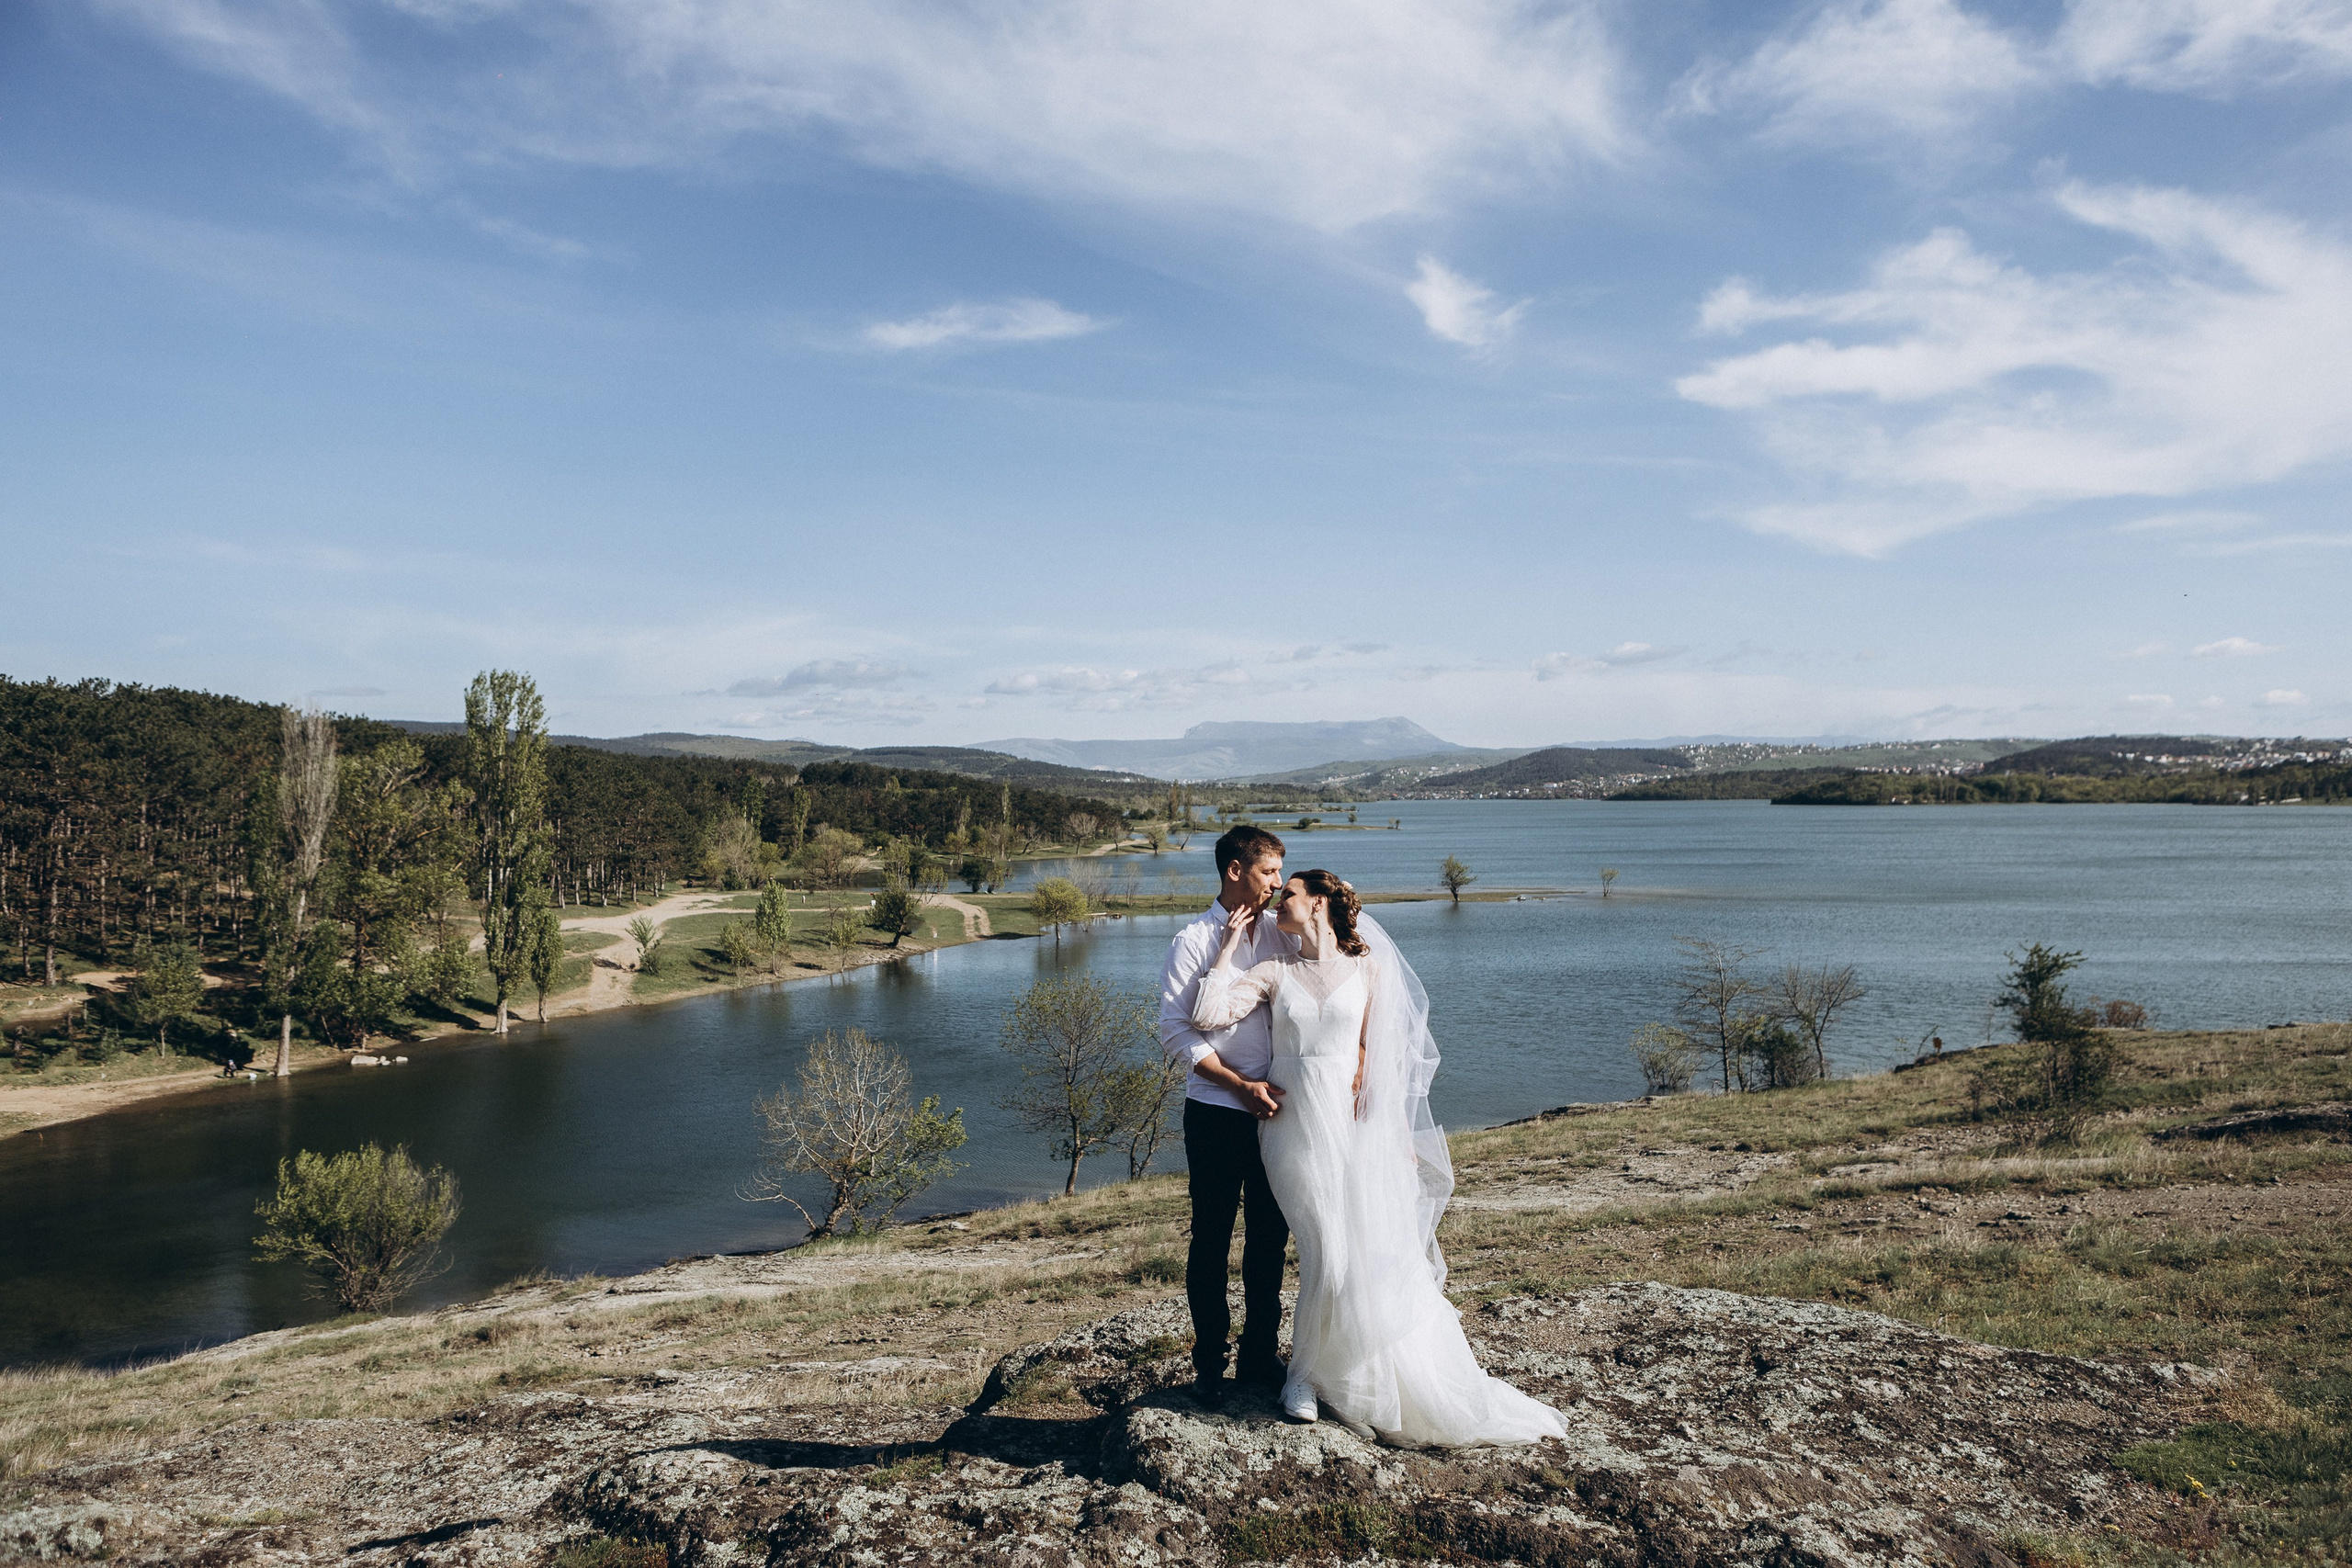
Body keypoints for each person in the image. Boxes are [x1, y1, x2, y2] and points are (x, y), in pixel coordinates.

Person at [1191, 869, 1566, 1449]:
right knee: (1324, 1246)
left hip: (1353, 1128)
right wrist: (1229, 947)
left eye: (1287, 894)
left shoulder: (1369, 970)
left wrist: (1395, 1138)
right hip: (1290, 1130)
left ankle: (1321, 1372)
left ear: (1317, 905)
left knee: (1360, 1248)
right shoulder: (1271, 970)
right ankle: (1304, 1379)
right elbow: (1206, 1016)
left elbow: (1385, 1061)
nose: (1275, 901)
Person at [1159, 824, 1296, 1407]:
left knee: (1270, 1239)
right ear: (1236, 871)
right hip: (1215, 1112)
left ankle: (1260, 1360)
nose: (1278, 883)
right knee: (1212, 1239)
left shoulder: (1285, 935)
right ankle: (1209, 1363)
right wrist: (1238, 1085)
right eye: (1269, 872)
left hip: (1281, 1115)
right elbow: (1175, 1032)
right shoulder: (1192, 941)